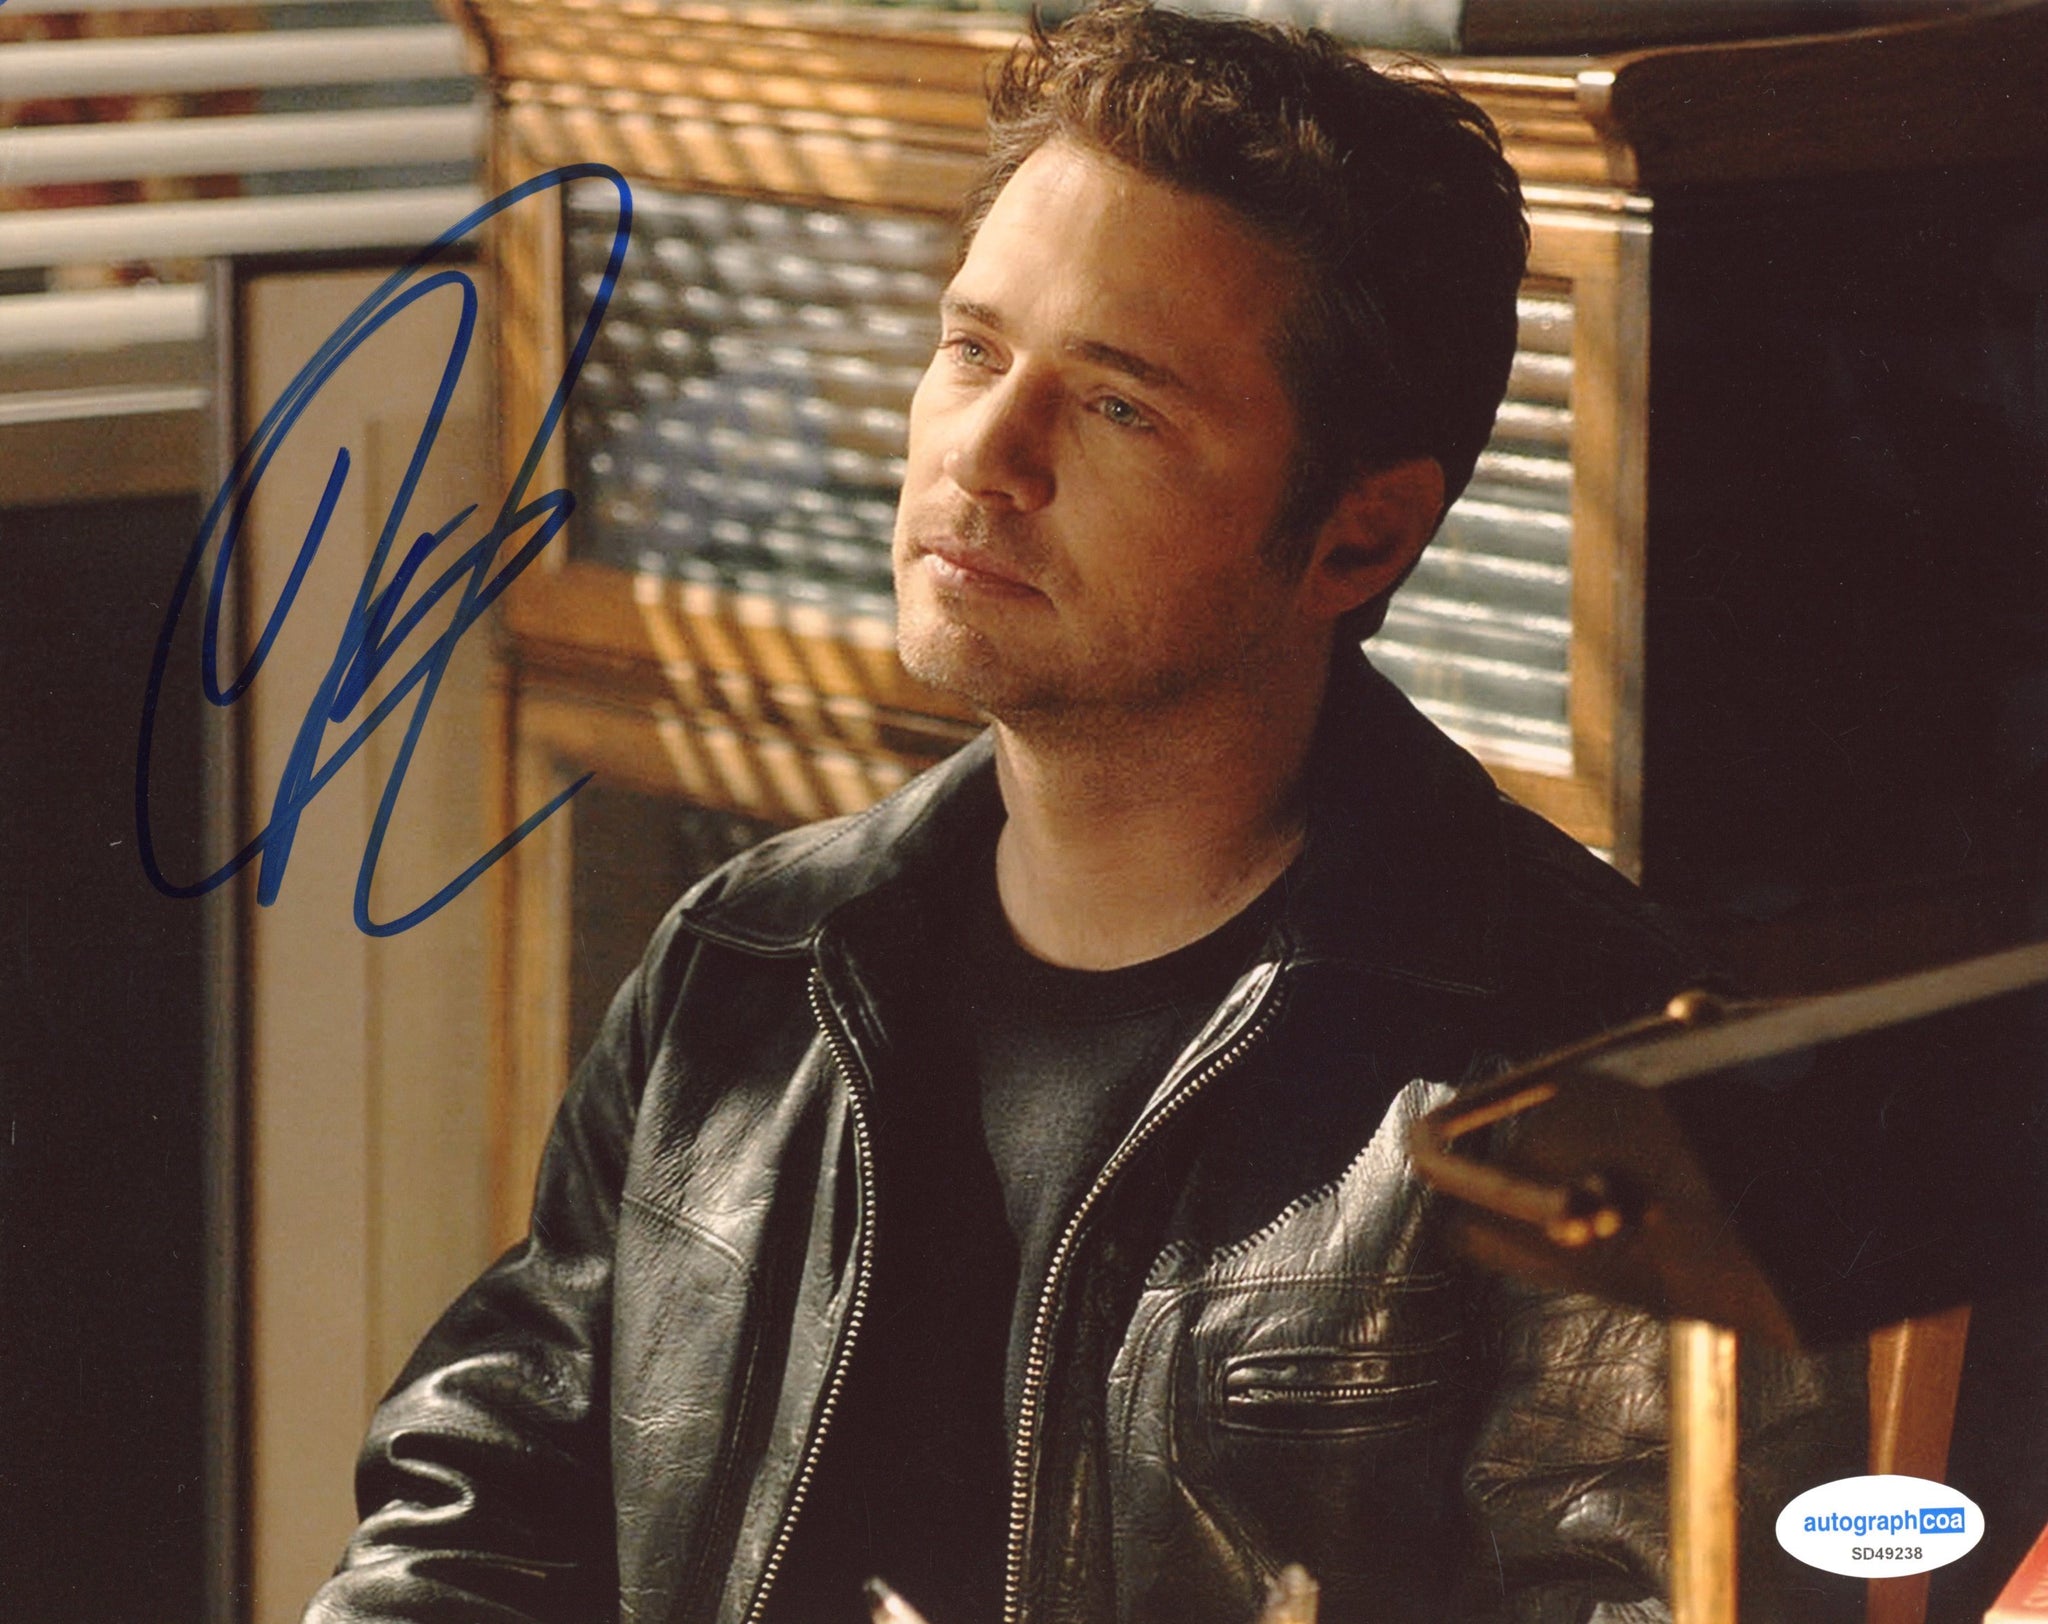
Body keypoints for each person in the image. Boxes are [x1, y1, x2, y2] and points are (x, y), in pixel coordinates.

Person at [306, 6, 1856, 1622]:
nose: (985, 456)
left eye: (1121, 406)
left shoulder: (1585, 1075)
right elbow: (476, 1508)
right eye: (975, 350)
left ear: (1359, 538)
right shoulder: (749, 962)